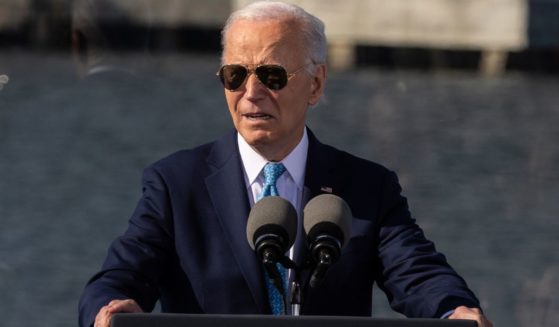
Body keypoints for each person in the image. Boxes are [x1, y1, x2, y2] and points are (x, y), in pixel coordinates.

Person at [78, 2, 493, 327]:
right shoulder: (175, 184)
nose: (251, 92)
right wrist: (109, 311)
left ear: (315, 84)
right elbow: (119, 277)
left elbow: (417, 273)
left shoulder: (366, 187)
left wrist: (453, 311)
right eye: (235, 75)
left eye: (272, 76)